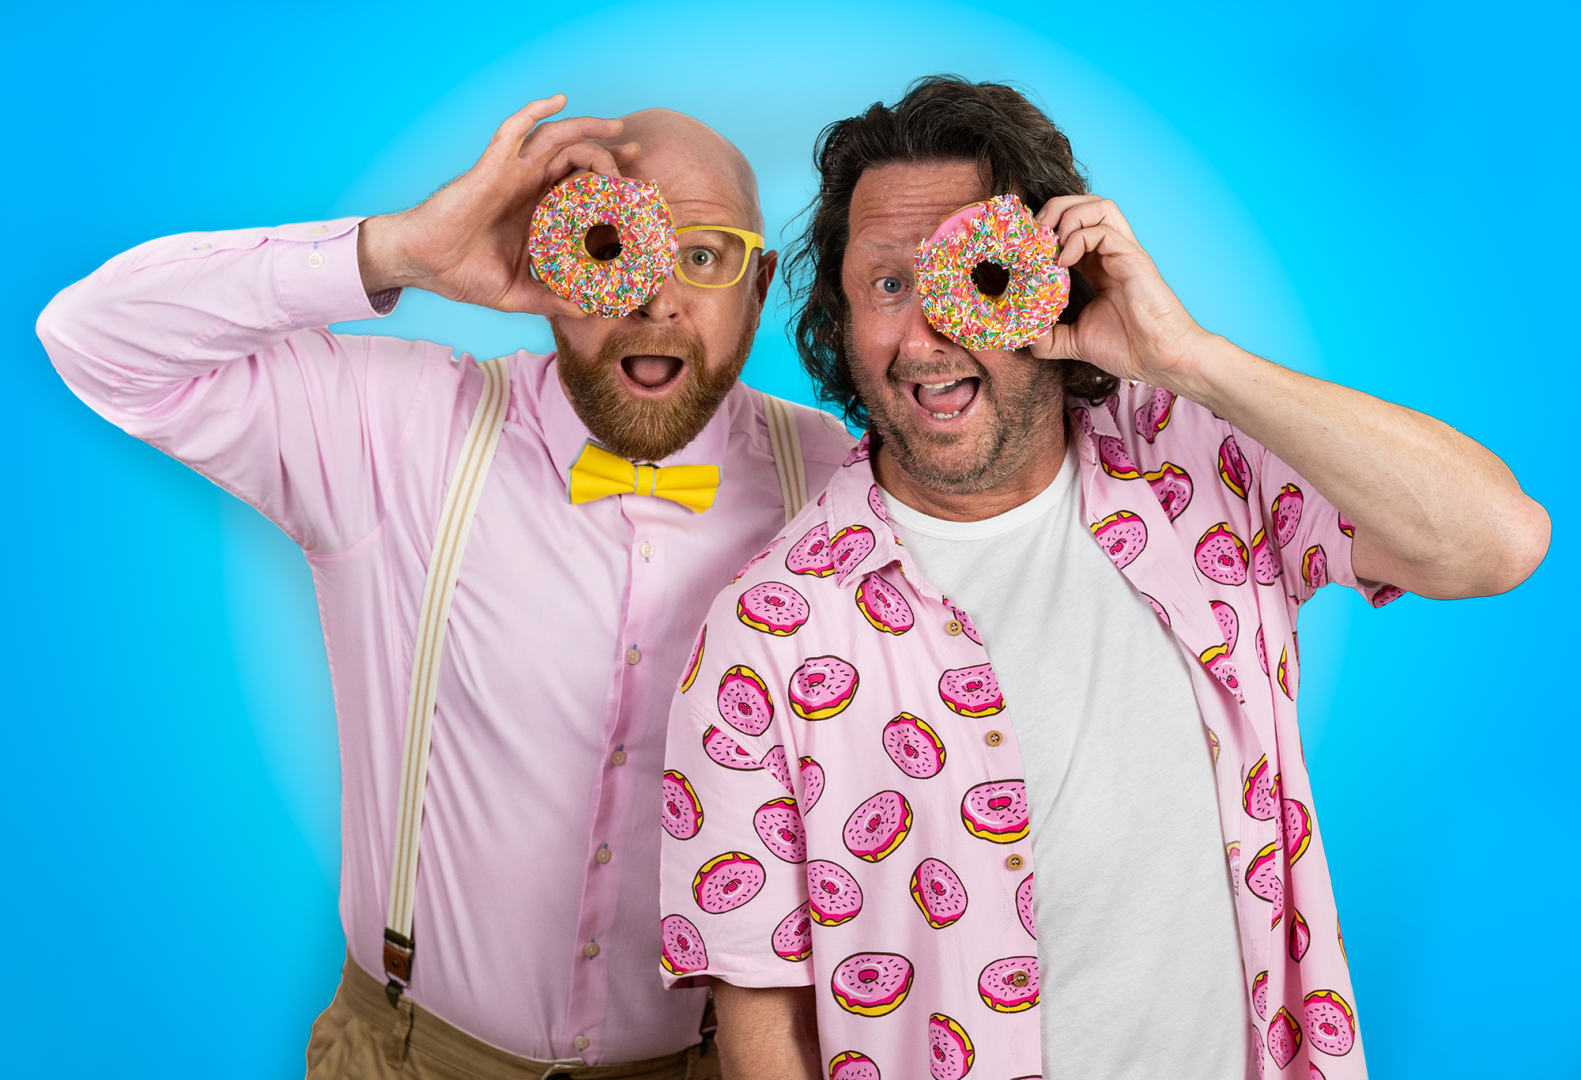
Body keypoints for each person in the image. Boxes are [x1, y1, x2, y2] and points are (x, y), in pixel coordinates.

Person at [655, 77, 1548, 1080]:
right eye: (889, 284)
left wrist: (1189, 358)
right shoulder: (768, 628)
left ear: (1055, 281)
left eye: (975, 273)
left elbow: (1497, 540)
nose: (924, 335)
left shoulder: (1209, 472)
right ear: (839, 310)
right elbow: (762, 1019)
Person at [38, 95, 851, 1079]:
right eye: (610, 246)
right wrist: (401, 252)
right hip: (409, 1053)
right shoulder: (399, 432)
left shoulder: (837, 486)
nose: (655, 299)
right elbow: (93, 338)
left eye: (705, 256)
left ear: (758, 288)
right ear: (552, 264)